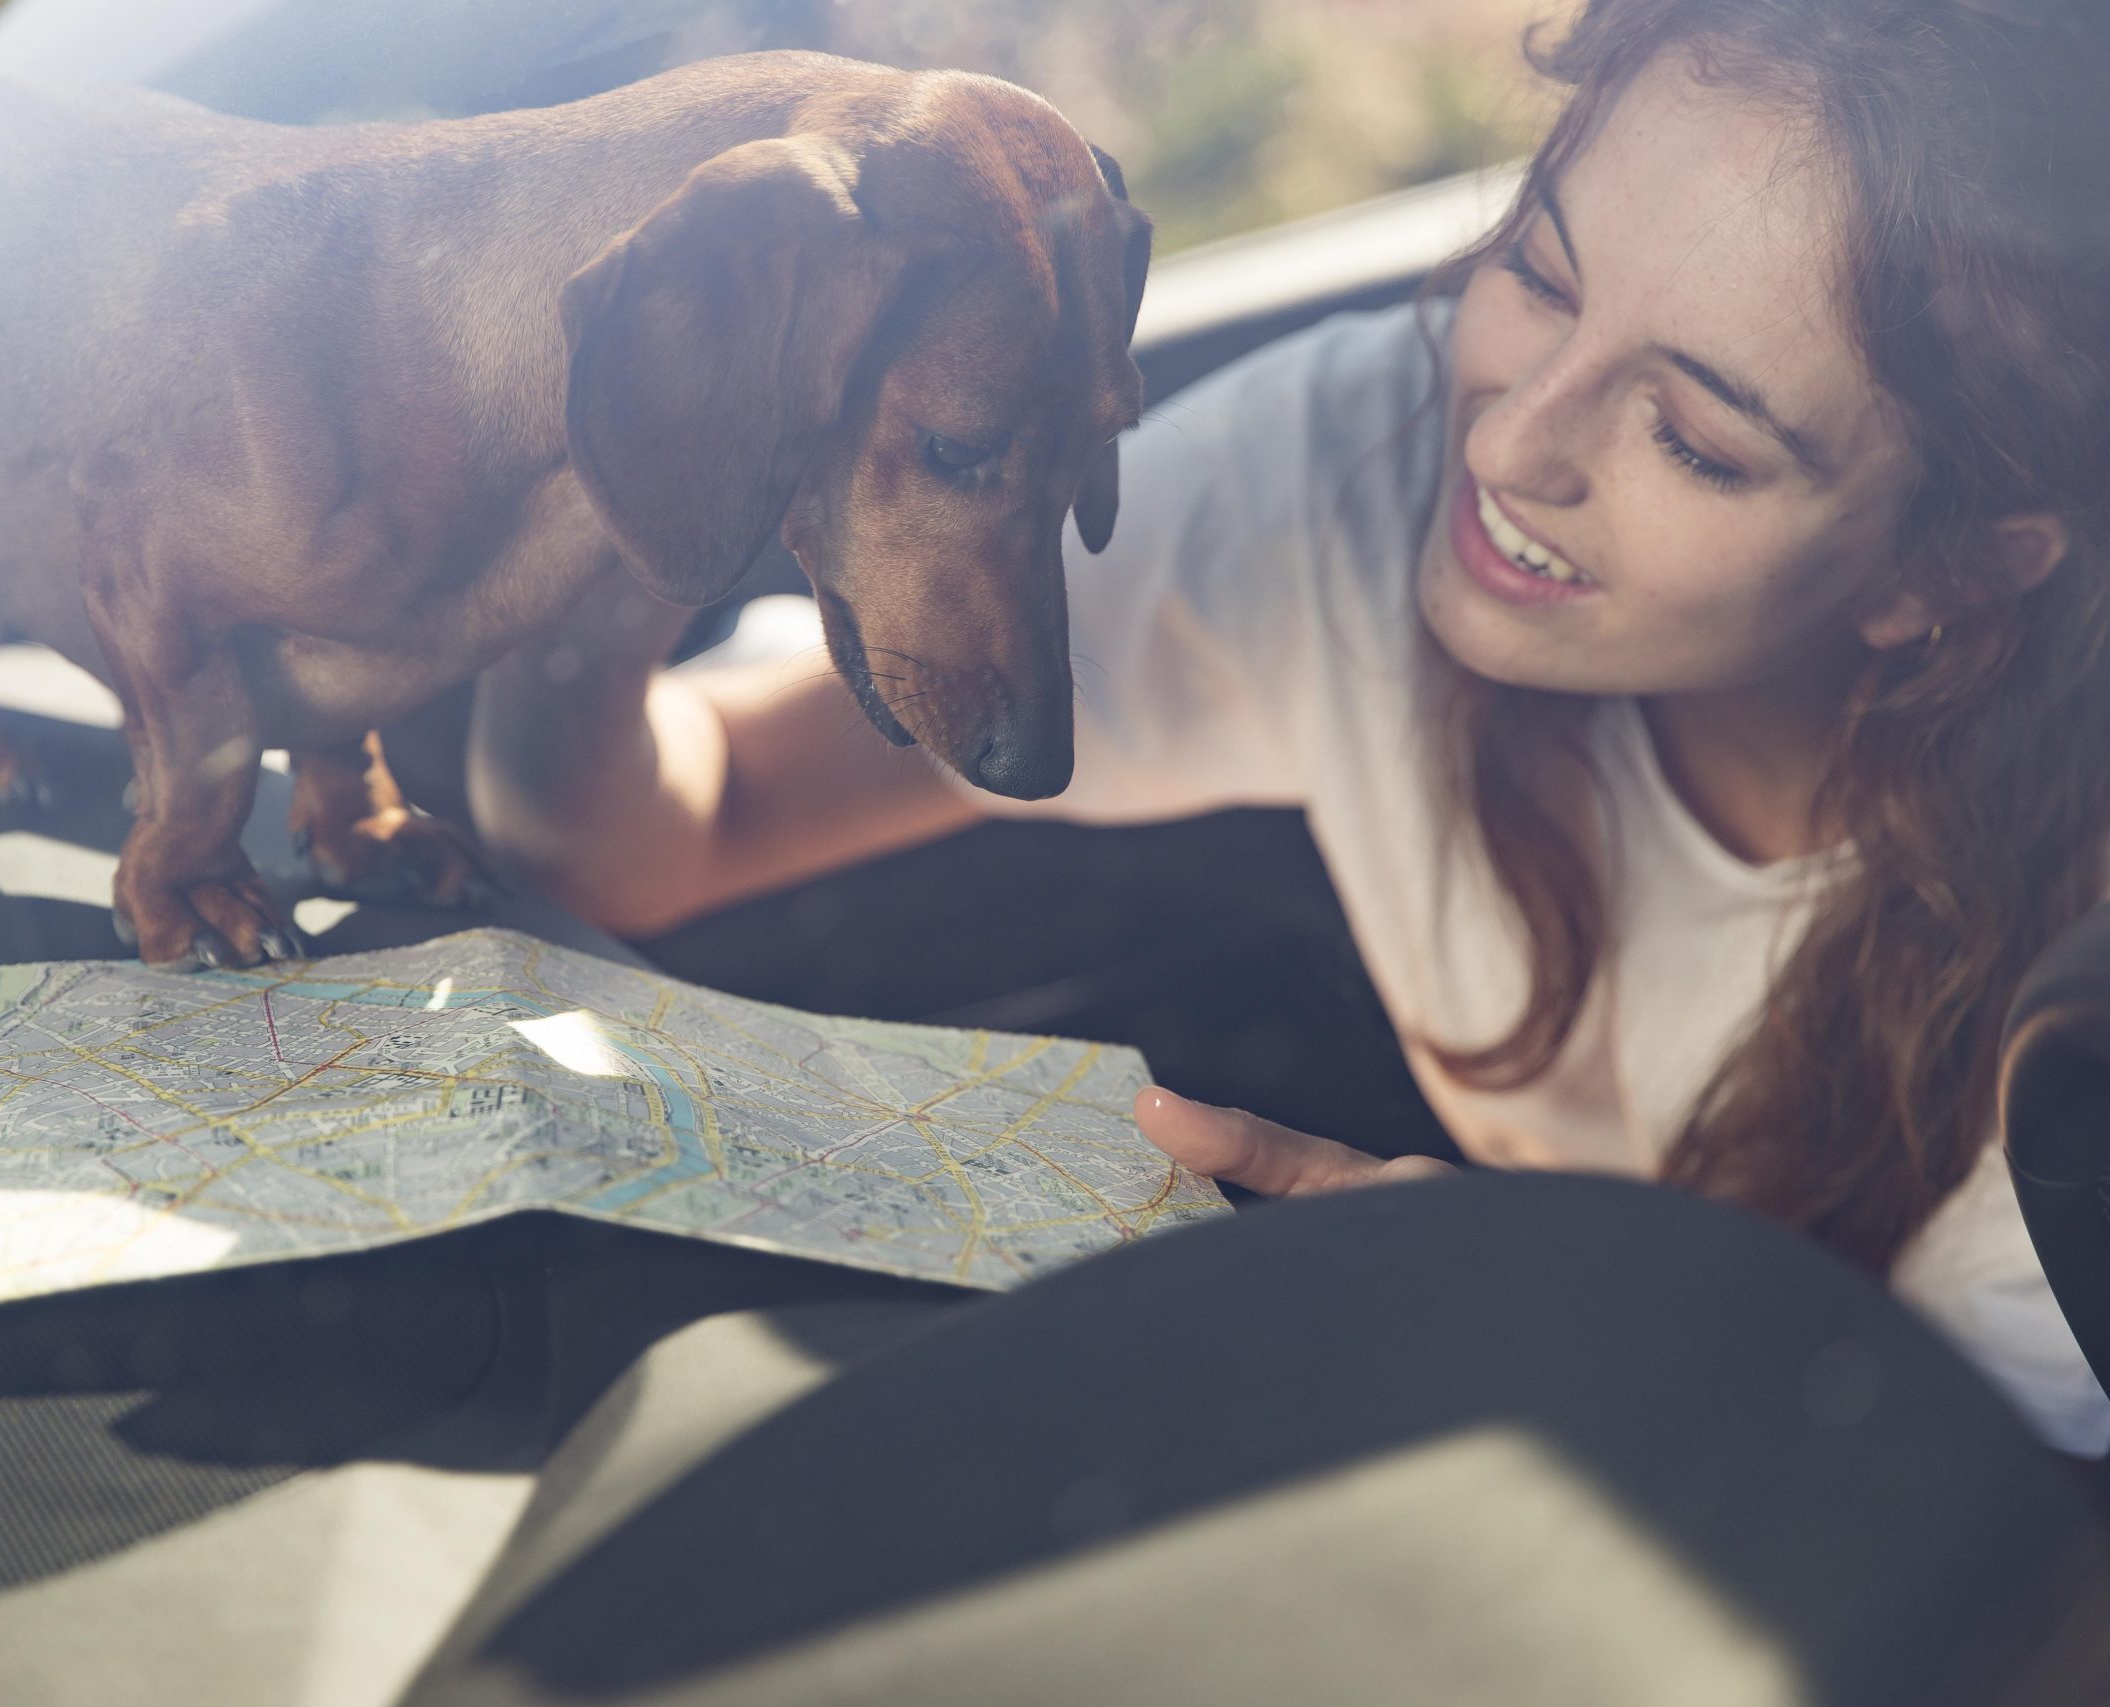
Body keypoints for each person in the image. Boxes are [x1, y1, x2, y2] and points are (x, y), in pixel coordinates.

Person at [468, 0, 2110, 1458]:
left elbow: (2003, 1589)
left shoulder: (2076, 1010)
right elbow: (688, 814)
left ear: (1945, 575)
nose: (1515, 439)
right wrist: (616, 476)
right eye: (1539, 273)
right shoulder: (1368, 470)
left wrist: (1578, 1354)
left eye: (1692, 438)